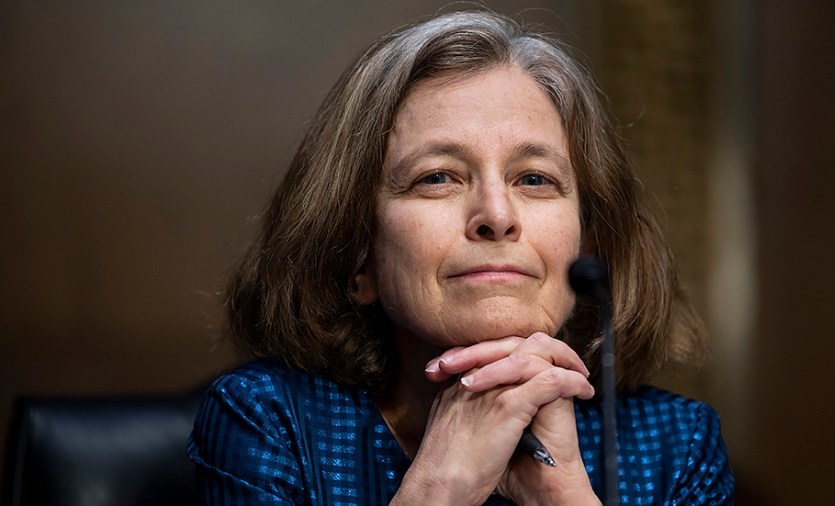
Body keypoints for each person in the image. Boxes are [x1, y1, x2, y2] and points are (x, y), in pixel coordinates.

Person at [186, 8, 734, 505]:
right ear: (356, 258)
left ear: (587, 242)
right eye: (438, 177)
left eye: (535, 178)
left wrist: (562, 496)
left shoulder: (676, 445)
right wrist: (440, 488)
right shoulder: (269, 420)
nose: (496, 214)